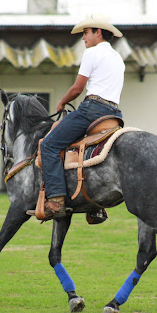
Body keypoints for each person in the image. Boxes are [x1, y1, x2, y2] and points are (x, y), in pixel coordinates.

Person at [27, 14, 125, 219]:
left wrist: (62, 101)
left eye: (86, 33)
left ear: (98, 32)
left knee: (49, 145)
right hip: (114, 112)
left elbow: (77, 88)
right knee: (86, 146)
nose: (83, 38)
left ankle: (56, 200)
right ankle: (95, 204)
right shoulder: (118, 58)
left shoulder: (92, 53)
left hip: (92, 109)